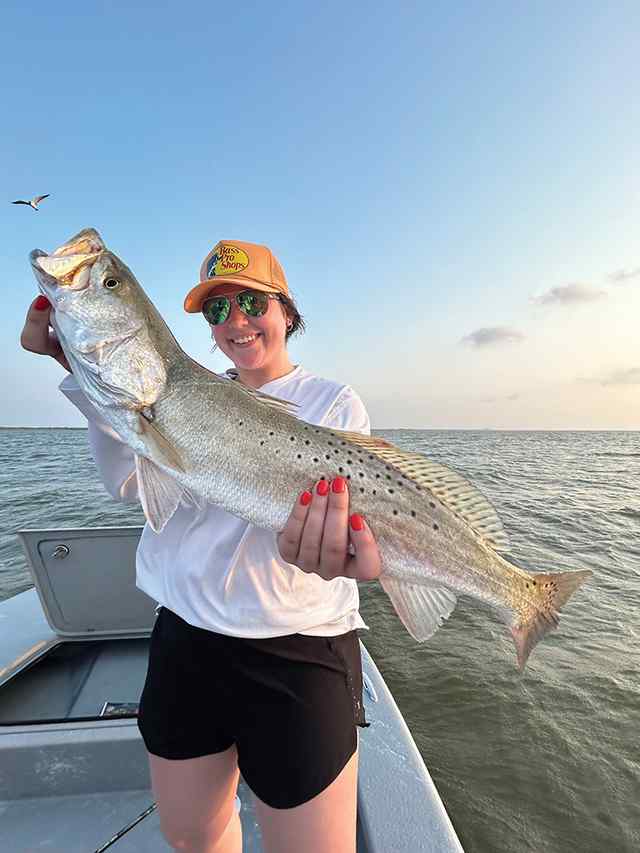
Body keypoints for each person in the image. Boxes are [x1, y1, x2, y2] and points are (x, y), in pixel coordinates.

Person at [21, 238, 382, 853]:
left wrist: (360, 562)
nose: (236, 320)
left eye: (251, 301)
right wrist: (75, 366)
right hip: (185, 641)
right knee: (193, 839)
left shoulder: (333, 403)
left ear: (287, 311)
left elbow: (357, 543)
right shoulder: (181, 394)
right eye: (217, 311)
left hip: (297, 652)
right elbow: (132, 483)